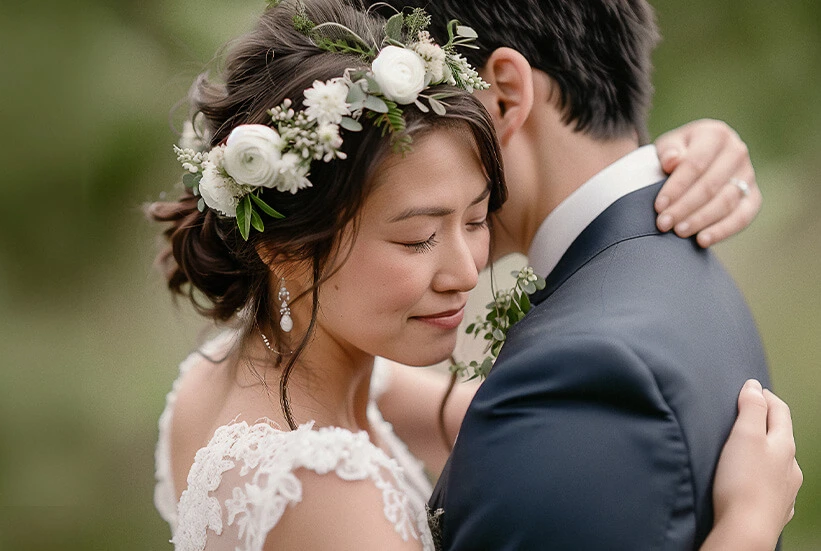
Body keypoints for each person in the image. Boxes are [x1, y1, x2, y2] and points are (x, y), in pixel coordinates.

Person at [147, 2, 801, 550]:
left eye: (476, 213)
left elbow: (510, 427)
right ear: (283, 247)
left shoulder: (261, 372)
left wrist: (654, 173)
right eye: (416, 236)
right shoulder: (319, 485)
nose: (465, 272)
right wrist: (746, 524)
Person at [343, 0, 801, 548]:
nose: (373, 155)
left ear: (507, 95)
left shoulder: (586, 373)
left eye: (402, 115)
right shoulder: (678, 273)